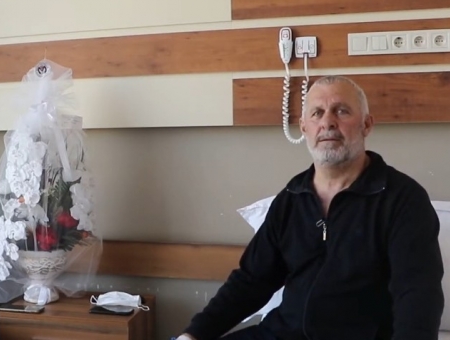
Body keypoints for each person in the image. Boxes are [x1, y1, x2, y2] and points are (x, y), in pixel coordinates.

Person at [178, 75, 444, 340]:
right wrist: (194, 334)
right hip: (281, 334)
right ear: (304, 127)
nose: (328, 122)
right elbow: (251, 282)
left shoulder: (403, 200)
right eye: (317, 113)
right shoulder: (291, 199)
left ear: (366, 125)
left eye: (341, 111)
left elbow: (417, 296)